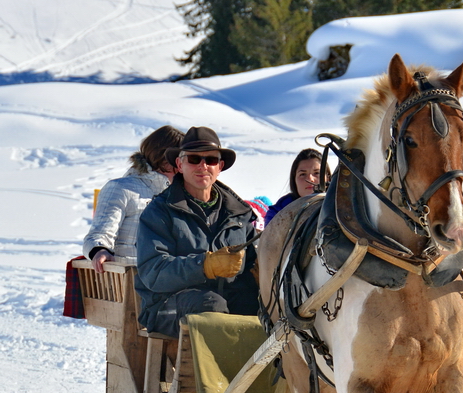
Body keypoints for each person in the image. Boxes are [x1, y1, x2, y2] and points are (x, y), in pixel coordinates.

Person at [135, 126, 260, 339]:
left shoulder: (239, 213)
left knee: (267, 308)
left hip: (226, 297)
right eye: (194, 159)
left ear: (219, 167)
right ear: (179, 164)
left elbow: (251, 265)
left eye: (210, 160)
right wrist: (205, 266)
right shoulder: (159, 211)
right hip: (167, 306)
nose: (203, 166)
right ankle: (217, 373)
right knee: (211, 306)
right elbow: (153, 272)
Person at [82, 125, 184, 272]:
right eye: (181, 160)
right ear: (164, 158)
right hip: (130, 281)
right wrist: (100, 250)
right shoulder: (122, 189)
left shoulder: (179, 196)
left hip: (168, 280)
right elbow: (98, 235)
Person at [264, 148, 330, 226]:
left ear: (328, 178)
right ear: (294, 179)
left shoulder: (340, 207)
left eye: (317, 173)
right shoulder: (278, 213)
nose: (310, 179)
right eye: (302, 174)